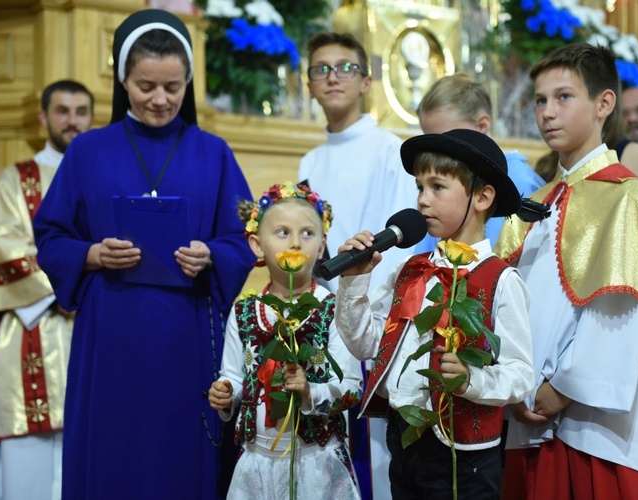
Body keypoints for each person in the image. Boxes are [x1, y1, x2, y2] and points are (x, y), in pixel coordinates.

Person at [32, 9, 255, 498]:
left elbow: (244, 238)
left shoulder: (212, 152)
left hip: (186, 332)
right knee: (112, 457)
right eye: (145, 86)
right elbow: (49, 235)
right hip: (110, 334)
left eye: (173, 87)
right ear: (122, 80)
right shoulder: (88, 151)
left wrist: (211, 254)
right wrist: (92, 255)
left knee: (180, 460)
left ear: (188, 82)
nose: (160, 99)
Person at [495, 44, 638, 499]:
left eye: (564, 97)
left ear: (603, 104)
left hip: (601, 434)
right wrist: (518, 385)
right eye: (540, 100)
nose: (548, 112)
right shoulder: (535, 206)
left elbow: (625, 320)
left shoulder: (629, 198)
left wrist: (562, 390)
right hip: (530, 419)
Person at [335, 129, 536, 498]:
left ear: (483, 197)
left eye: (437, 187)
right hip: (406, 442)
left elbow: (522, 375)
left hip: (464, 460)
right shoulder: (410, 270)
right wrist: (353, 282)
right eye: (419, 187)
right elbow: (366, 344)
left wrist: (470, 379)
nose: (422, 201)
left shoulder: (501, 280)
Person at [298, 31, 431, 499]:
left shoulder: (387, 150)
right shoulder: (311, 159)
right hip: (320, 319)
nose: (333, 77)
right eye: (321, 69)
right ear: (308, 83)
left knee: (372, 458)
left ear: (367, 81)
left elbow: (394, 243)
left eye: (345, 68)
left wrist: (356, 315)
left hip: (365, 319)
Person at [0, 80, 93, 500]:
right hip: (32, 329)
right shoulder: (15, 179)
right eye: (62, 110)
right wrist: (72, 289)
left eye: (81, 111)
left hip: (94, 329)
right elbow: (9, 252)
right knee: (27, 473)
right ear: (43, 117)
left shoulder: (102, 176)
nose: (72, 120)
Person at [208, 181, 363, 500]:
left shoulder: (333, 310)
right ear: (255, 244)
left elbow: (351, 387)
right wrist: (227, 394)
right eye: (282, 233)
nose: (295, 243)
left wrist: (310, 391)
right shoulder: (245, 311)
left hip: (316, 464)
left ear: (321, 247)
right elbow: (235, 376)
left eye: (307, 234)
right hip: (257, 463)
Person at [417, 72, 545, 245]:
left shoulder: (521, 181)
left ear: (482, 126)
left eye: (446, 138)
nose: (435, 152)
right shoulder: (435, 189)